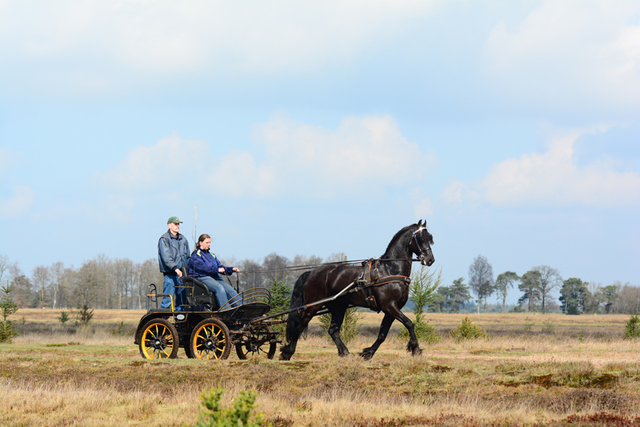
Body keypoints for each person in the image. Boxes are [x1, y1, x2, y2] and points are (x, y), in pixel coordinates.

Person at [189, 234, 240, 309]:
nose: (209, 245)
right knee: (219, 288)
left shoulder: (212, 255)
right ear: (200, 242)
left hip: (214, 277)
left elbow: (220, 267)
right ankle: (226, 310)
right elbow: (203, 269)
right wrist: (217, 270)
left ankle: (243, 308)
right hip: (202, 277)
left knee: (230, 290)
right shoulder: (195, 255)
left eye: (209, 243)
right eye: (207, 242)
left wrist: (231, 269)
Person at [158, 216, 190, 310]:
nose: (177, 226)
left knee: (182, 302)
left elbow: (187, 256)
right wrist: (176, 269)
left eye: (178, 224)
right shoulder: (164, 239)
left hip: (182, 275)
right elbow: (166, 257)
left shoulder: (183, 239)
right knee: (167, 301)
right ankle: (162, 322)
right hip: (170, 275)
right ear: (169, 225)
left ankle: (179, 322)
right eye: (175, 224)